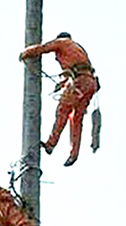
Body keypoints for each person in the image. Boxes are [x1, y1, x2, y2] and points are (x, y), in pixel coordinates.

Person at [18, 32, 99, 166]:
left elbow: (43, 48)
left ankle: (51, 144)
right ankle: (74, 154)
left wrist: (26, 52)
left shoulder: (62, 42)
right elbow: (78, 69)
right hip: (89, 83)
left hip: (80, 81)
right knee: (76, 118)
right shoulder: (77, 48)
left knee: (63, 111)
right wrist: (61, 84)